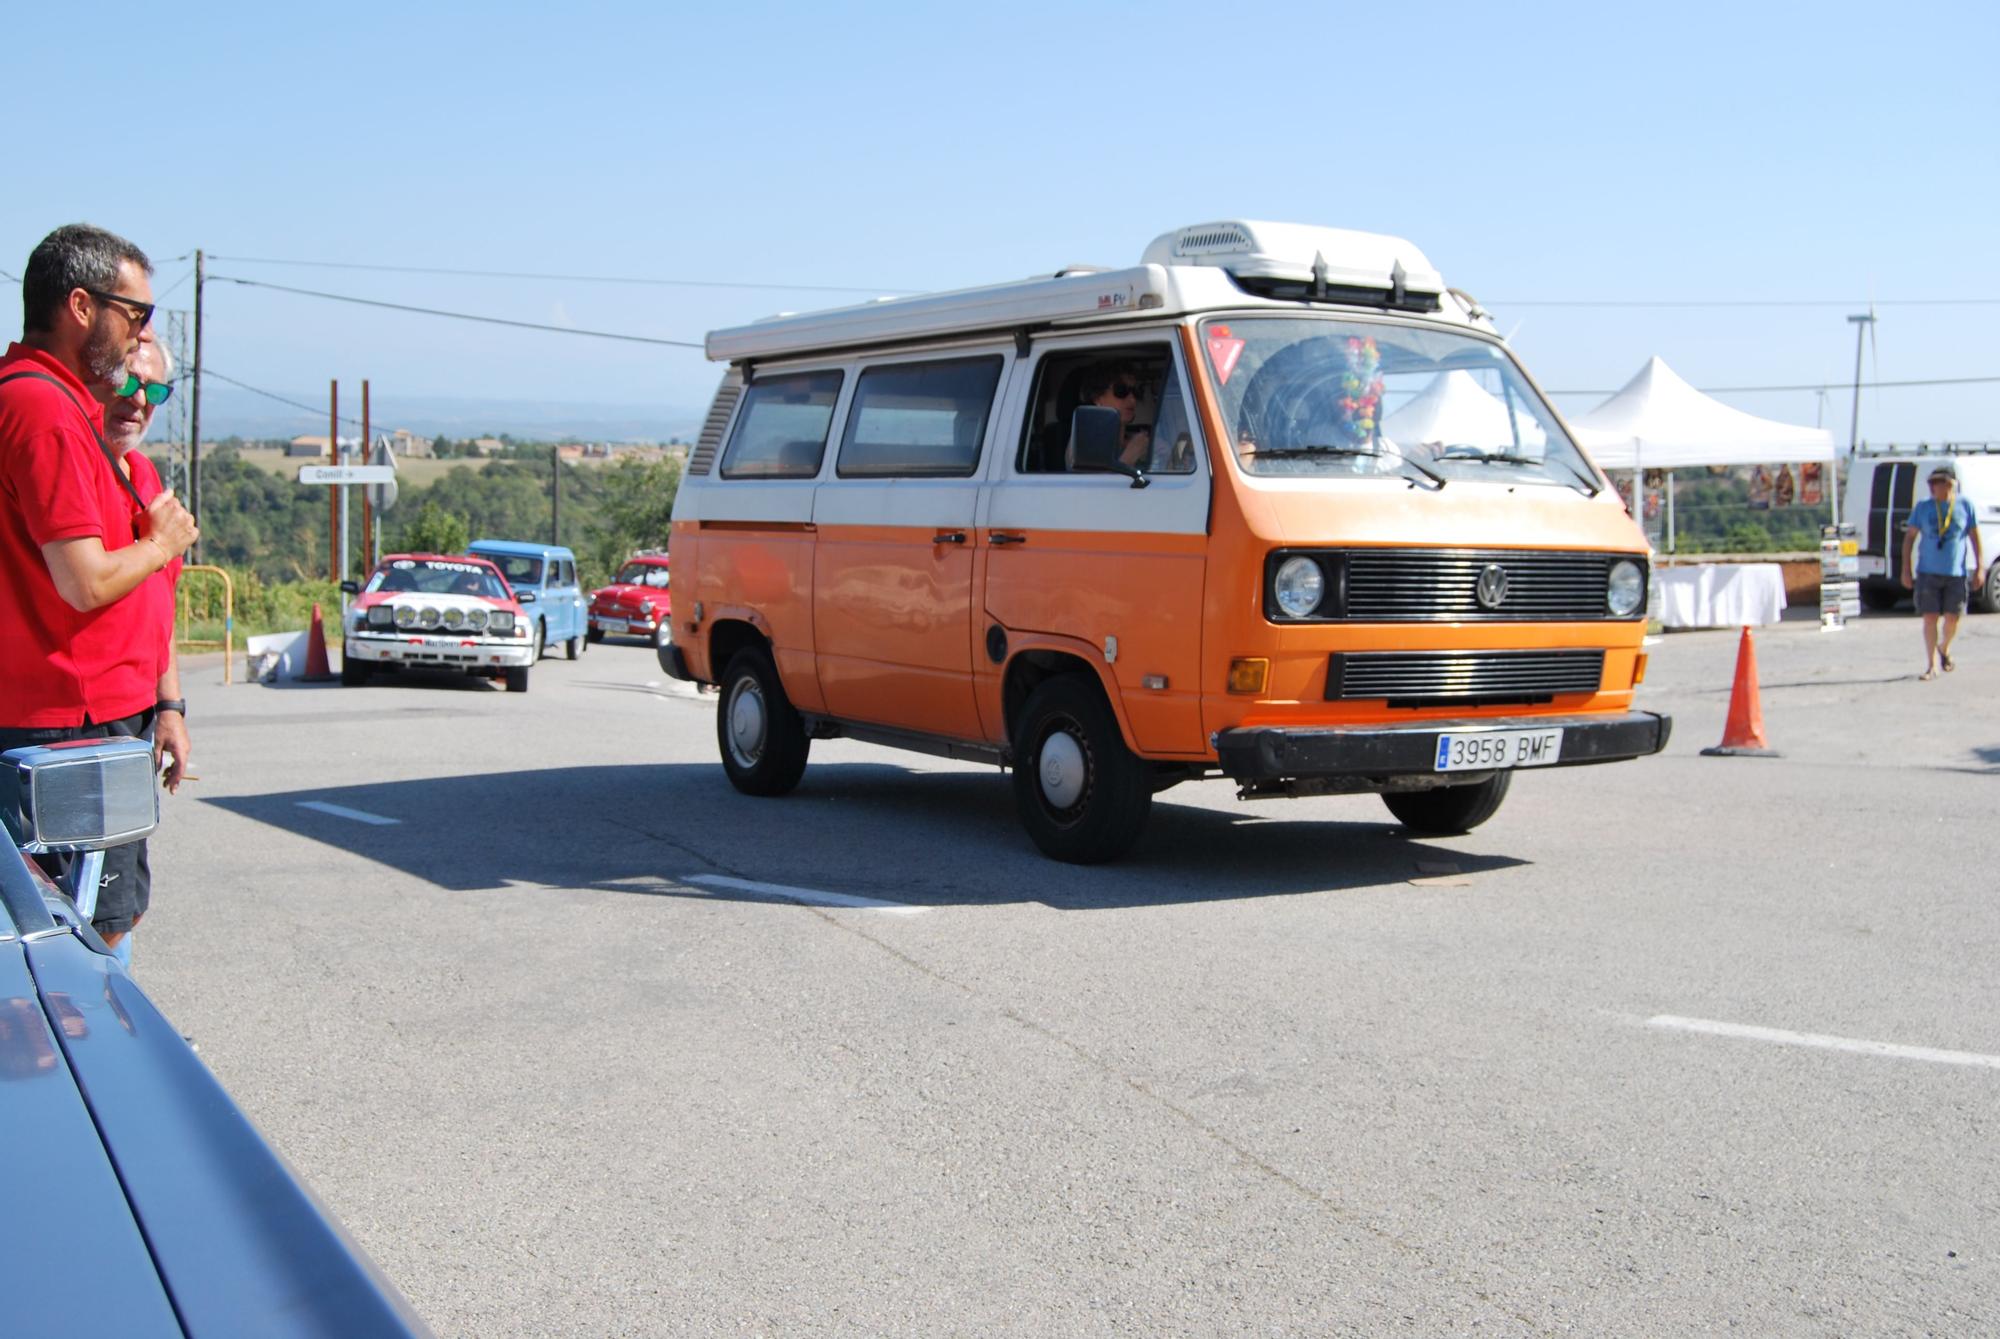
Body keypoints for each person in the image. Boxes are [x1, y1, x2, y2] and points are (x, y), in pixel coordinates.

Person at [0, 223, 198, 958]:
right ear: (82, 307)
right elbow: (83, 583)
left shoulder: (56, 407)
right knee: (83, 940)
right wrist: (160, 543)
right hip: (67, 723)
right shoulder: (45, 409)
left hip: (88, 720)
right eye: (135, 313)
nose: (139, 332)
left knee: (88, 925)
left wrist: (168, 704)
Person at [1900, 463, 1983, 680]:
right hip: (1928, 572)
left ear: (1950, 484)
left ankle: (1944, 647)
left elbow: (1975, 537)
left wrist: (1980, 567)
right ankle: (1931, 665)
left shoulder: (1965, 506)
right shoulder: (1923, 507)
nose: (1933, 488)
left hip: (1956, 572)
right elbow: (1909, 538)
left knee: (1953, 617)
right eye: (1931, 483)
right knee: (1929, 617)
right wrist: (1906, 570)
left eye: (1938, 483)